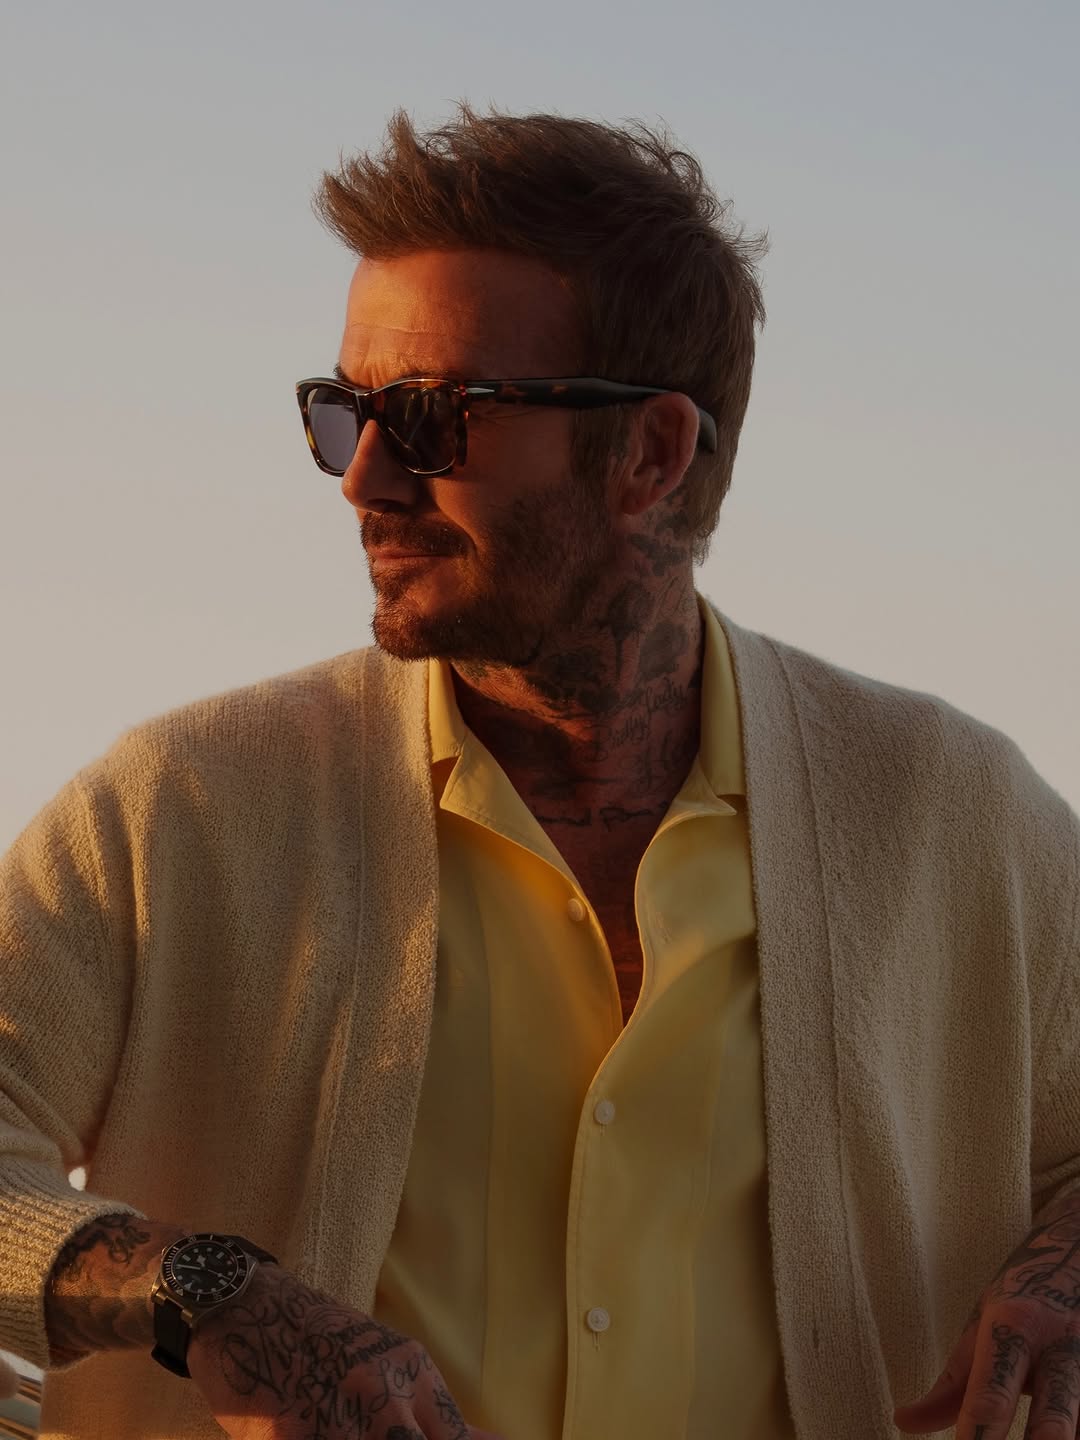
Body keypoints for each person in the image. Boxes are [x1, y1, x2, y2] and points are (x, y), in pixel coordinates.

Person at [1, 102, 1078, 1440]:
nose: (364, 480)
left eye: (433, 418)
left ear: (653, 453)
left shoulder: (952, 814)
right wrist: (212, 1293)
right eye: (345, 412)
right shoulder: (177, 811)